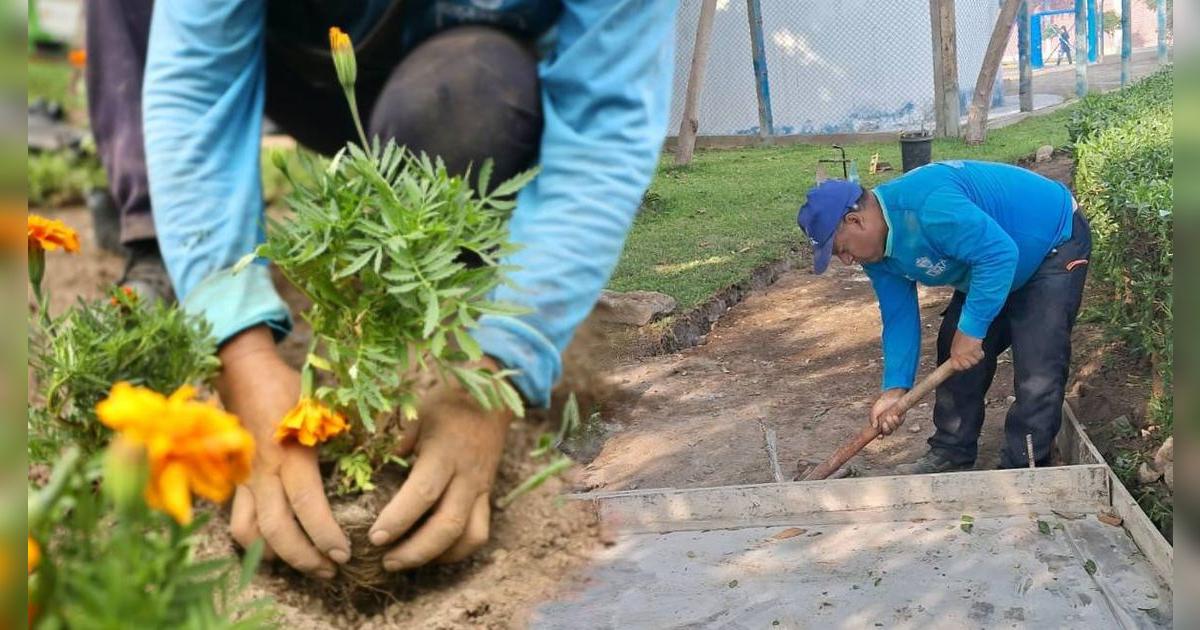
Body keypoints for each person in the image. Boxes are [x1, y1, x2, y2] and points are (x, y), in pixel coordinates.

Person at [86, 0, 676, 578]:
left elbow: (606, 123)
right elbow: (194, 80)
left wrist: (494, 369)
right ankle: (160, 244)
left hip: (454, 75)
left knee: (469, 96)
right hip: (287, 51)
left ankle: (451, 283)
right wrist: (238, 349)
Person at [796, 160, 1091, 474]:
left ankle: (1026, 465)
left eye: (841, 249)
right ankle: (951, 452)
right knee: (953, 343)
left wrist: (973, 329)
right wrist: (894, 389)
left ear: (855, 221)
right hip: (989, 261)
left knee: (1038, 360)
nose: (846, 261)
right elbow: (898, 318)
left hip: (1052, 242)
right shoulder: (877, 254)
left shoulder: (929, 208)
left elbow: (999, 254)